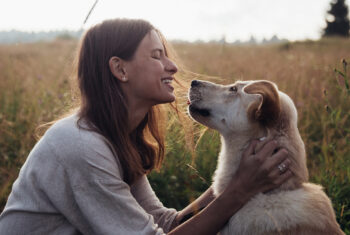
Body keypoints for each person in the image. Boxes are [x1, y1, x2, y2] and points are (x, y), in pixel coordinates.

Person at [0, 18, 292, 235]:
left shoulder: (117, 138)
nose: (172, 66)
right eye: (156, 55)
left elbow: (165, 223)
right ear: (120, 69)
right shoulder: (81, 146)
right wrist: (239, 191)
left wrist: (234, 181)